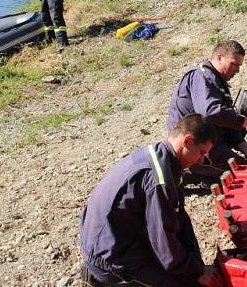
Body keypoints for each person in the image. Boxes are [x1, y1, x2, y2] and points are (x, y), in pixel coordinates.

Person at [80, 114, 217, 287]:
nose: (201, 160)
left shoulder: (157, 155)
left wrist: (197, 267)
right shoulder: (159, 180)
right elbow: (163, 242)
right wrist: (195, 273)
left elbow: (178, 220)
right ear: (187, 141)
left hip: (110, 239)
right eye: (202, 152)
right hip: (110, 259)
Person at [167, 40, 247, 179]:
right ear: (219, 57)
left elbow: (225, 120)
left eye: (239, 66)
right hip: (197, 149)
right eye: (234, 64)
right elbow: (211, 112)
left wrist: (245, 148)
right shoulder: (201, 76)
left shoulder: (216, 81)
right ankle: (186, 171)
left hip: (211, 141)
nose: (237, 70)